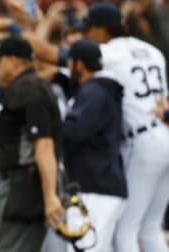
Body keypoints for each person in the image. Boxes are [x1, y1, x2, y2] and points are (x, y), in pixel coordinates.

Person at [1, 2, 169, 252]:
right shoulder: (151, 51)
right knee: (149, 228)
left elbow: (45, 53)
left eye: (90, 28)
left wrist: (16, 26)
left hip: (139, 141)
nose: (88, 34)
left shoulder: (108, 54)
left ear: (102, 29)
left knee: (125, 232)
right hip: (163, 132)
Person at [44, 40, 127, 252]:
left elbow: (73, 130)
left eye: (70, 63)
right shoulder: (96, 90)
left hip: (96, 187)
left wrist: (53, 121)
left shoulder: (94, 92)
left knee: (85, 248)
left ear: (79, 64)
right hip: (100, 185)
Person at [0, 38, 63, 252]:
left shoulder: (28, 89)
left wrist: (50, 196)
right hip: (27, 185)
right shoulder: (32, 85)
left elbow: (44, 145)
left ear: (13, 60)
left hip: (24, 186)